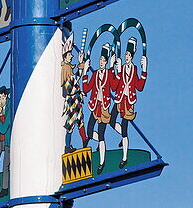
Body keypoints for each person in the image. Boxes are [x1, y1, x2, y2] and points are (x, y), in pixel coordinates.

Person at [109, 38, 147, 169]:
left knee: (125, 129)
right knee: (111, 120)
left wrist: (144, 70)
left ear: (132, 56)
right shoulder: (122, 68)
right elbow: (114, 87)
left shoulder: (134, 69)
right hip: (119, 99)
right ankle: (122, 136)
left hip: (128, 102)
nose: (126, 57)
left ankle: (124, 157)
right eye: (125, 55)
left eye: (128, 55)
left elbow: (139, 86)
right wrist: (117, 71)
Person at [81, 44, 114, 174]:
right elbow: (86, 88)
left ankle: (101, 162)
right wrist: (85, 73)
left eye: (103, 60)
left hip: (104, 108)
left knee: (101, 135)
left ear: (106, 62)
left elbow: (116, 85)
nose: (100, 62)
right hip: (95, 107)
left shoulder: (109, 74)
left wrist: (114, 67)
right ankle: (98, 148)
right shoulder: (95, 74)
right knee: (89, 132)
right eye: (100, 60)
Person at [62, 33, 88, 152]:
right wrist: (81, 67)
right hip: (72, 100)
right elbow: (73, 81)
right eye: (70, 54)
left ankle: (84, 141)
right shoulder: (66, 70)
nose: (71, 56)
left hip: (76, 99)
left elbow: (76, 78)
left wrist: (81, 65)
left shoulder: (68, 70)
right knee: (72, 124)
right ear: (65, 56)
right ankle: (68, 146)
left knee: (80, 121)